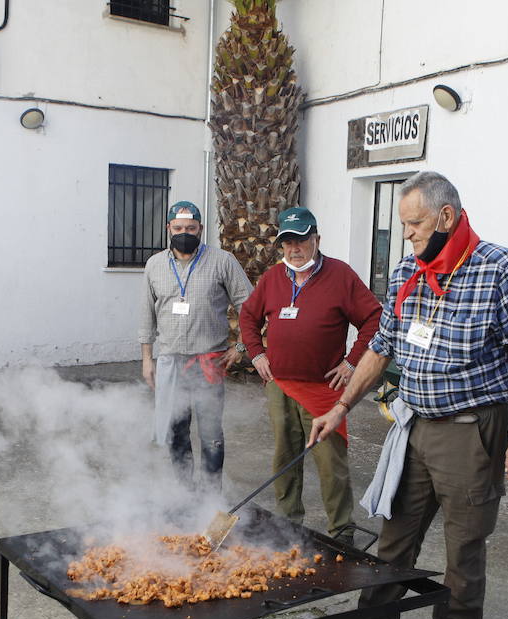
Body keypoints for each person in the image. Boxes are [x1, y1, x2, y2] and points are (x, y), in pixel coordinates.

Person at [308, 171, 508, 619]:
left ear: (446, 217)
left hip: (470, 431)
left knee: (464, 547)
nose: (408, 234)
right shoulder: (407, 270)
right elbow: (382, 347)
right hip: (413, 424)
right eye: (403, 224)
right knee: (395, 534)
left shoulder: (497, 269)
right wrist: (341, 406)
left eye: (414, 223)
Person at [239, 206, 381, 540]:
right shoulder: (273, 277)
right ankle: (288, 522)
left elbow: (374, 319)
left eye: (301, 239)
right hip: (280, 386)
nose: (294, 248)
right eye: (288, 241)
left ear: (316, 239)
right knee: (284, 457)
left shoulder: (341, 275)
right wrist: (257, 353)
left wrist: (351, 362)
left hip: (324, 390)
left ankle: (342, 529)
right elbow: (248, 317)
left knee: (331, 463)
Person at [140, 200, 253, 490]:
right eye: (178, 228)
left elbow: (250, 306)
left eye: (191, 227)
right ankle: (183, 494)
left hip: (209, 362)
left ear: (201, 229)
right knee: (176, 430)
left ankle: (211, 496)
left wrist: (240, 347)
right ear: (168, 228)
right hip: (170, 362)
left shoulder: (222, 261)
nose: (184, 232)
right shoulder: (154, 265)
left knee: (210, 432)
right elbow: (146, 314)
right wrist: (147, 359)